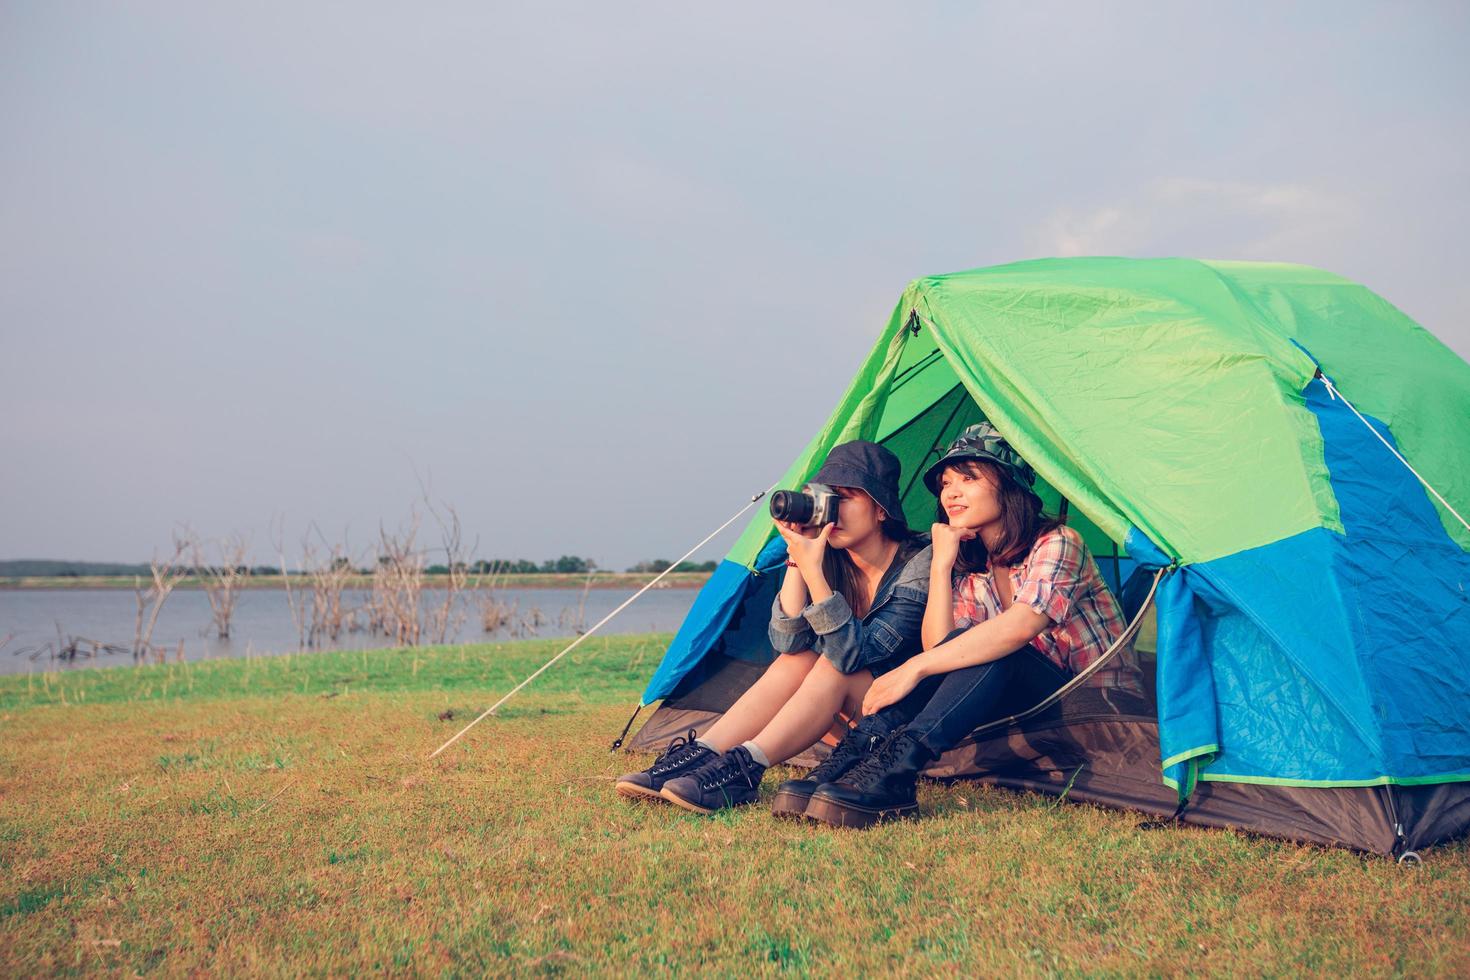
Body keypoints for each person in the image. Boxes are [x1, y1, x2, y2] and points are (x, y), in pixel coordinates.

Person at [802, 423, 1141, 828]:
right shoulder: (972, 563)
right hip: (1025, 709)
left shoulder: (1059, 541)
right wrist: (942, 564)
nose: (951, 493)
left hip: (1097, 711)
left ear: (1009, 485)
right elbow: (941, 648)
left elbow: (1019, 627)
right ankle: (857, 753)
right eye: (946, 483)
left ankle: (899, 771)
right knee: (967, 646)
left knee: (998, 645)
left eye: (968, 478)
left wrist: (911, 669)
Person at [615, 440, 932, 815]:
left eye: (845, 497)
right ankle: (703, 754)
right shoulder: (828, 556)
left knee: (831, 664)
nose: (832, 510)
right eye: (826, 497)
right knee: (796, 660)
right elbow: (787, 641)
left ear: (881, 511)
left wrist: (814, 570)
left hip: (902, 717)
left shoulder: (918, 561)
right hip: (846, 711)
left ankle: (746, 768)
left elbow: (851, 657)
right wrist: (797, 562)